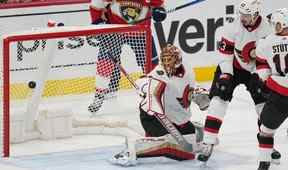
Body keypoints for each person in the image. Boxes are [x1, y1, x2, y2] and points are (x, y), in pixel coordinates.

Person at [197, 0, 281, 163]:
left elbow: (269, 58)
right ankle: (208, 142)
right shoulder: (232, 27)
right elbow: (225, 55)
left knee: (264, 106)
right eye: (241, 14)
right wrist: (226, 75)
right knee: (218, 99)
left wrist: (261, 76)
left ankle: (267, 144)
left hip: (257, 69)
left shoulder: (268, 29)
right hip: (233, 67)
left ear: (256, 14)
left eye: (247, 15)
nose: (243, 18)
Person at [110, 44, 210, 166]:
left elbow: (188, 90)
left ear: (178, 60)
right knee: (173, 147)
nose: (166, 63)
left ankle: (183, 130)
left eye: (170, 59)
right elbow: (145, 80)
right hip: (154, 117)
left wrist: (198, 95)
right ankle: (133, 149)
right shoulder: (159, 73)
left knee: (188, 155)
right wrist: (145, 87)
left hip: (176, 118)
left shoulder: (188, 71)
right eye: (164, 59)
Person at [88, 0, 167, 114]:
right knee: (105, 62)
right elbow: (96, 4)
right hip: (114, 28)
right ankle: (99, 95)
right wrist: (97, 22)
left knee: (151, 64)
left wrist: (159, 11)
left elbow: (158, 5)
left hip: (140, 30)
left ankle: (154, 93)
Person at [248, 8, 288, 170]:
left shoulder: (265, 42)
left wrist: (264, 81)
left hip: (279, 93)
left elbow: (263, 66)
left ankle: (264, 165)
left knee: (265, 131)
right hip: (279, 91)